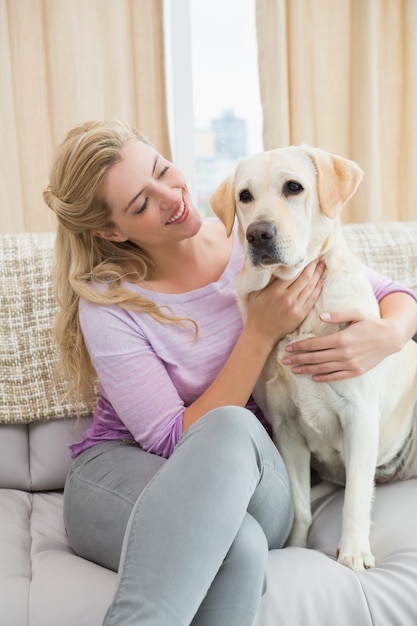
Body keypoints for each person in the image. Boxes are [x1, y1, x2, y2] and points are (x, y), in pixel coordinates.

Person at [43, 120, 417, 626]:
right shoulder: (110, 304)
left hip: (251, 476)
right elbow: (173, 439)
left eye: (161, 170)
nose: (170, 196)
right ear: (112, 231)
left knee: (236, 440)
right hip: (121, 473)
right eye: (140, 204)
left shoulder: (263, 241)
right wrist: (259, 334)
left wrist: (391, 336)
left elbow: (390, 292)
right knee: (238, 546)